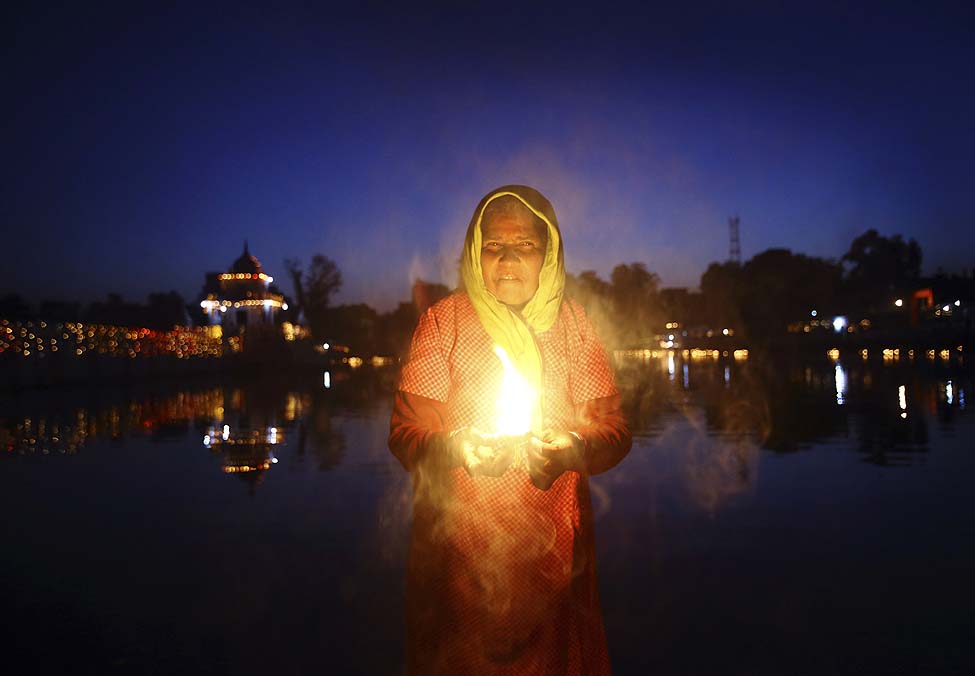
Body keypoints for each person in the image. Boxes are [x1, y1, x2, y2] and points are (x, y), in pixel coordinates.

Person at [388, 185, 631, 675]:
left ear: (549, 254)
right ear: (475, 255)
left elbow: (614, 431)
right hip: (460, 556)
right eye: (493, 245)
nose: (507, 260)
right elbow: (406, 431)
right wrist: (456, 448)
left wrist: (576, 449)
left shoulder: (575, 326)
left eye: (524, 246)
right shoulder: (444, 323)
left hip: (559, 558)